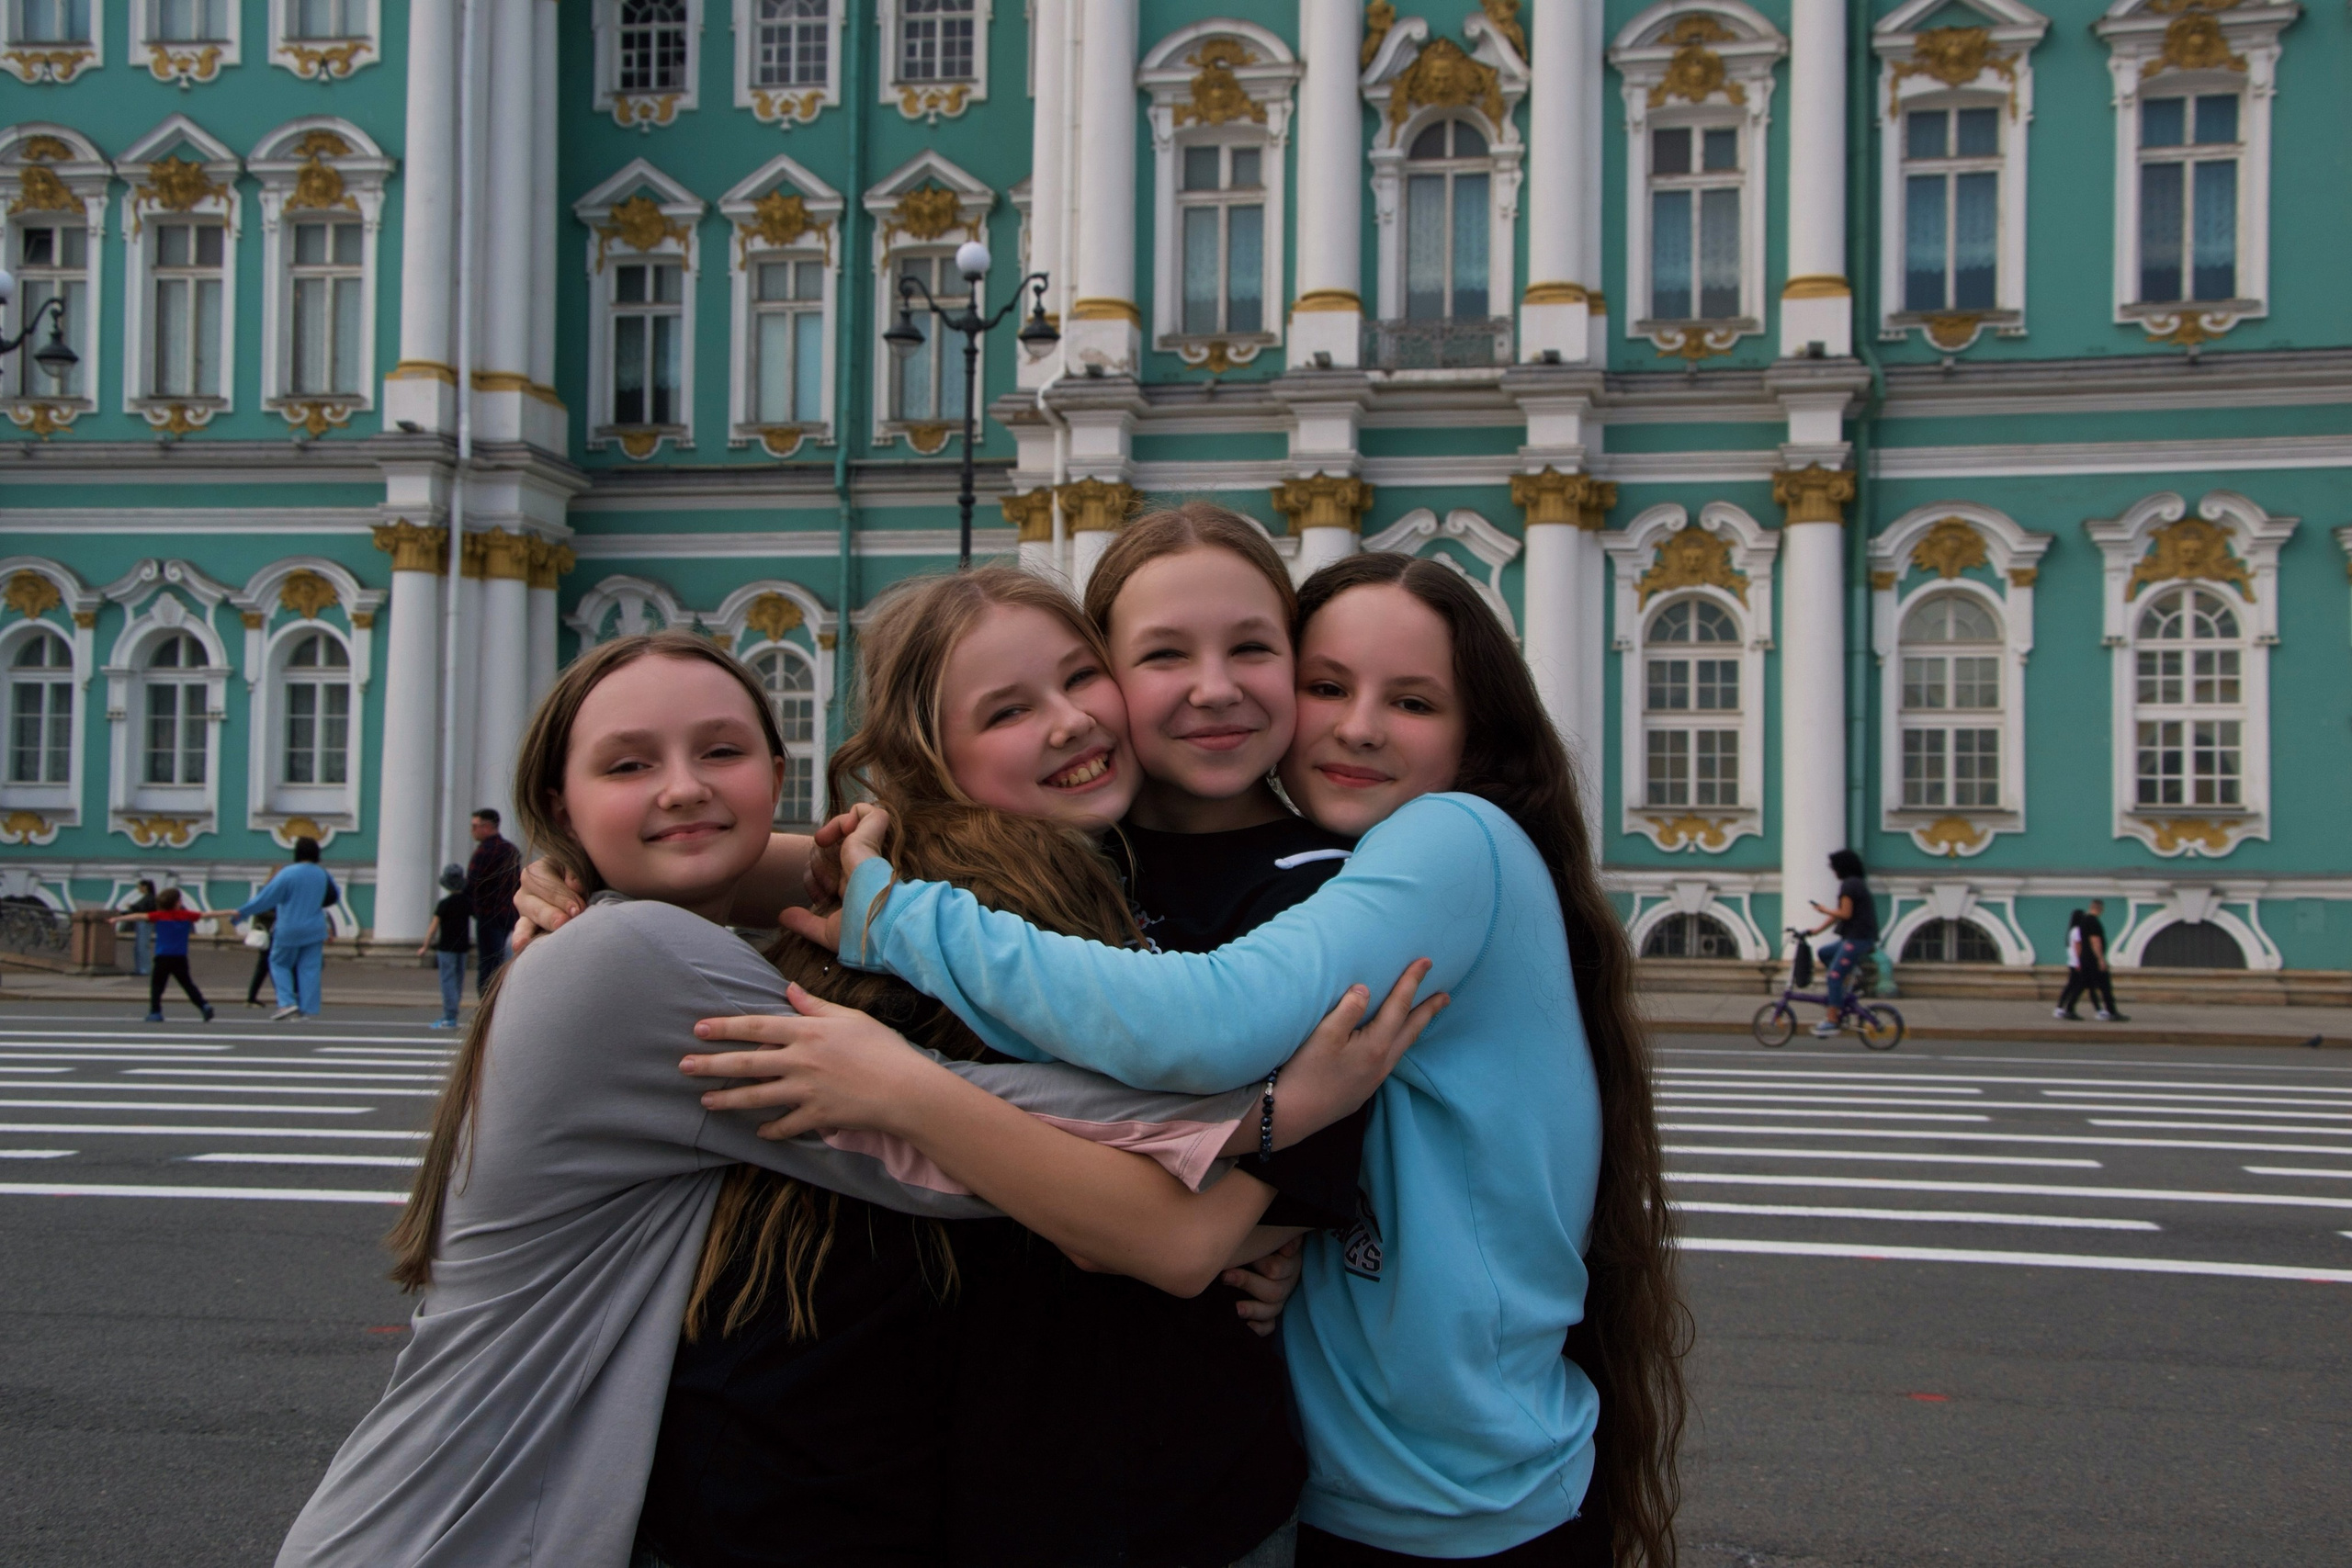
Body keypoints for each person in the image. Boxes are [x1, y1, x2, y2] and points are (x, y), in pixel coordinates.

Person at [277, 629, 1405, 1568]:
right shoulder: (625, 962)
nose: (681, 786)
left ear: (778, 775)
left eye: (720, 750)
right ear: (558, 809)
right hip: (447, 1532)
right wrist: (1272, 1121)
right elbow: (966, 1138)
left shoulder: (632, 943)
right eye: (627, 766)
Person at [691, 556, 1688, 1565]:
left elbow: (1199, 1041)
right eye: (1328, 685)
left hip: (1443, 1499)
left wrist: (895, 989)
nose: (1357, 725)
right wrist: (592, 863)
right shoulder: (1091, 849)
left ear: (1480, 727)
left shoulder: (1432, 846)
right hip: (1313, 1471)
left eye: (1414, 700)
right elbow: (798, 867)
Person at [238, 837, 338, 1020]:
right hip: (315, 928)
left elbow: (266, 898)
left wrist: (242, 913)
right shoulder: (323, 874)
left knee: (279, 963)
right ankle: (307, 1008)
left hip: (289, 927)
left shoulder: (288, 873)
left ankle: (286, 1003)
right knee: (309, 968)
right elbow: (333, 897)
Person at [117, 887, 226, 1022]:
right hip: (180, 957)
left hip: (162, 956)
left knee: (157, 986)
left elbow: (139, 916)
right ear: (177, 903)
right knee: (187, 984)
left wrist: (117, 919)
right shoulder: (186, 916)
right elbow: (208, 915)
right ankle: (203, 1005)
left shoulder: (160, 916)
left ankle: (155, 1012)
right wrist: (231, 912)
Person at [1804, 848, 1879, 1037]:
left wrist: (1824, 910)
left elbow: (1844, 914)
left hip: (1857, 939)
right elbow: (1840, 915)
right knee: (1824, 953)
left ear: (1841, 867)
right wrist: (1816, 931)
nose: (1832, 871)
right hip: (1856, 938)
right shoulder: (1855, 883)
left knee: (1833, 977)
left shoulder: (1849, 886)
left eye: (1833, 867)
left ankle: (1832, 1021)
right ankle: (1849, 977)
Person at [466, 808, 523, 994]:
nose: (472, 830)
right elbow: (517, 884)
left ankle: (487, 1006)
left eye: (475, 826)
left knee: (488, 964)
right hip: (509, 916)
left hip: (488, 916)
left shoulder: (483, 852)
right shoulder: (511, 850)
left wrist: (474, 910)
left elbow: (473, 884)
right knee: (505, 962)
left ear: (487, 826)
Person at [417, 865, 471, 1030]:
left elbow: (433, 927)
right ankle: (452, 1015)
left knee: (447, 981)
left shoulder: (444, 904)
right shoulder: (467, 903)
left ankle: (449, 1016)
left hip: (446, 947)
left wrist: (425, 946)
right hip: (463, 948)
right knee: (458, 981)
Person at [2056, 898, 2126, 1021]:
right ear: (2100, 909)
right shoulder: (2093, 921)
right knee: (2105, 986)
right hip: (2093, 960)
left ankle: (2069, 1009)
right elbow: (2095, 941)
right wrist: (2100, 959)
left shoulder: (2083, 922)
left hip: (2085, 959)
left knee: (2082, 984)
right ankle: (2111, 1012)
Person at [119, 878, 159, 976]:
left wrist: (132, 907)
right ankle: (140, 968)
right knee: (139, 947)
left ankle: (144, 969)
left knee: (142, 946)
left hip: (145, 923)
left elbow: (143, 910)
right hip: (142, 923)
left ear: (145, 887)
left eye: (139, 887)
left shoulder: (150, 898)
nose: (138, 889)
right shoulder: (147, 897)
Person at [244, 909, 277, 1008]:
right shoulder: (267, 898)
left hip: (270, 934)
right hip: (267, 935)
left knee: (265, 967)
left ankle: (251, 998)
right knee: (271, 966)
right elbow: (260, 911)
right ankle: (285, 997)